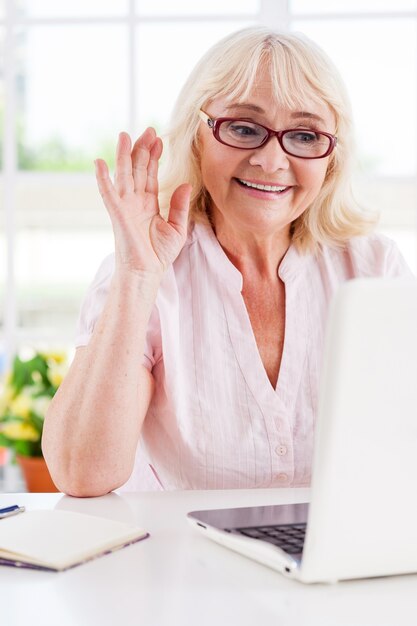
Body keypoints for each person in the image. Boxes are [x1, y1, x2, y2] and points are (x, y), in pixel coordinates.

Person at [42, 27, 413, 497]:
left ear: (332, 159)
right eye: (243, 128)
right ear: (198, 138)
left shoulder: (374, 269)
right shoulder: (147, 272)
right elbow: (81, 472)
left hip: (336, 564)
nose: (271, 160)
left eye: (304, 135)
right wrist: (137, 276)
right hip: (183, 565)